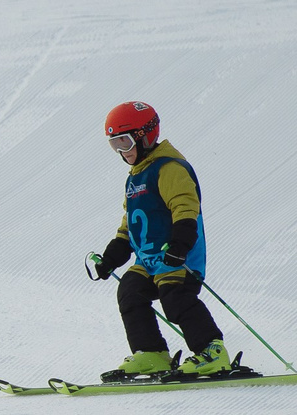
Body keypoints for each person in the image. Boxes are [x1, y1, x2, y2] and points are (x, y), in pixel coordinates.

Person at [87, 101, 236, 379]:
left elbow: (185, 207)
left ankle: (212, 352)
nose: (122, 151)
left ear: (146, 135)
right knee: (130, 292)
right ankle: (152, 353)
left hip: (177, 257)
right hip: (149, 260)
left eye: (125, 141)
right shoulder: (134, 177)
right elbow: (129, 225)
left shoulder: (169, 168)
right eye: (114, 144)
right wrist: (112, 258)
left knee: (175, 298)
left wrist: (180, 246)